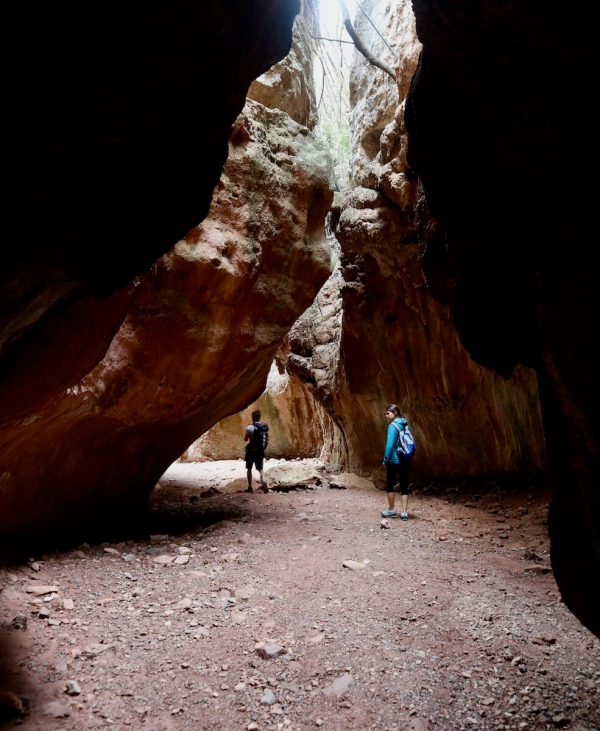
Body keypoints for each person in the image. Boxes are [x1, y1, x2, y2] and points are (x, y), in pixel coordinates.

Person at [382, 403, 412, 520]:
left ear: (395, 413)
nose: (386, 416)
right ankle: (404, 512)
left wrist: (385, 460)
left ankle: (391, 510)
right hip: (406, 459)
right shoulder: (405, 424)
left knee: (390, 484)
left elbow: (389, 446)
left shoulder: (392, 426)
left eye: (388, 413)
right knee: (404, 485)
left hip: (394, 459)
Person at [244, 409, 269, 493]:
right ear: (259, 417)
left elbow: (245, 439)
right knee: (260, 468)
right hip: (260, 451)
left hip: (251, 451)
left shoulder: (249, 427)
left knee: (249, 468)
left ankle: (250, 487)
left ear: (252, 417)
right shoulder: (263, 427)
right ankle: (264, 480)